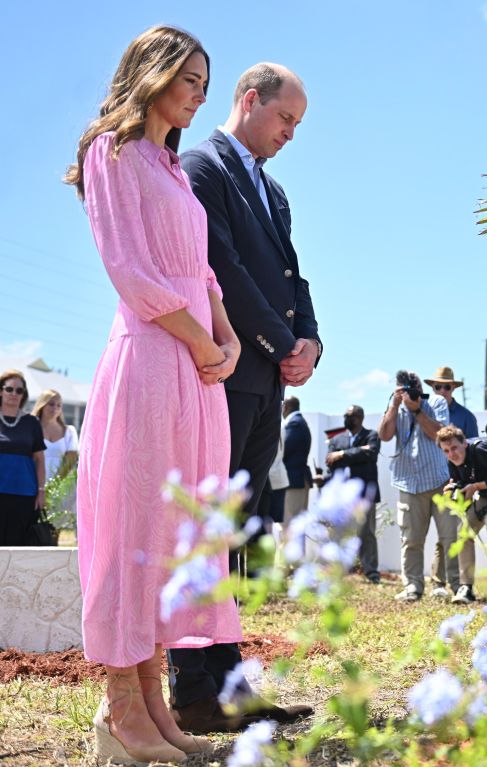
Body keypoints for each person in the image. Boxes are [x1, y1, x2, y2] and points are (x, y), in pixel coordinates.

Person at [65, 26, 239, 762]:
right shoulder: (112, 152)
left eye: (206, 82)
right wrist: (201, 342)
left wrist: (224, 336)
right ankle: (119, 711)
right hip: (148, 361)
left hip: (195, 373)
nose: (200, 93)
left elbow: (200, 273)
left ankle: (156, 710)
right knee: (133, 529)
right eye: (190, 78)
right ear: (155, 73)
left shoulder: (172, 169)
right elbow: (131, 270)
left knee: (171, 535)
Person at [169, 61, 319, 732]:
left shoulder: (277, 192)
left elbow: (292, 273)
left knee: (233, 533)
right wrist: (280, 340)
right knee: (203, 530)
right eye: (285, 118)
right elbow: (221, 267)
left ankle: (230, 681)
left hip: (264, 385)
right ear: (251, 100)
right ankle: (192, 685)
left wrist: (310, 338)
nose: (291, 134)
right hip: (222, 374)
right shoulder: (201, 169)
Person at [378, 371, 460, 602]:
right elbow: (384, 435)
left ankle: (453, 586)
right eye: (404, 389)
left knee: (449, 537)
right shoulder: (396, 406)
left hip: (438, 481)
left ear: (420, 387)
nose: (409, 394)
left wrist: (416, 410)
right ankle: (412, 586)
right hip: (408, 482)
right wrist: (394, 406)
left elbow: (440, 434)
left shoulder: (435, 402)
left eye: (412, 389)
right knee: (411, 539)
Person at [424, 366, 477, 595]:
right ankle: (437, 581)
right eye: (438, 386)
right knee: (442, 534)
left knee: (455, 532)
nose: (443, 390)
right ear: (432, 388)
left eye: (447, 386)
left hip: (459, 483)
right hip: (434, 478)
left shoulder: (465, 416)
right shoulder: (426, 412)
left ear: (453, 388)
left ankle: (459, 583)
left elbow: (473, 449)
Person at [436, 425, 487, 603]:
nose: (451, 454)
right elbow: (460, 481)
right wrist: (453, 490)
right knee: (464, 532)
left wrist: (475, 486)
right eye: (446, 451)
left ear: (464, 443)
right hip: (486, 497)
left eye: (454, 448)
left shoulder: (482, 449)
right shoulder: (452, 461)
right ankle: (466, 587)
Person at [327, 405, 382, 583]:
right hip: (342, 496)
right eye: (345, 416)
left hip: (365, 494)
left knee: (366, 534)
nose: (348, 419)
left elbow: (371, 453)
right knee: (341, 533)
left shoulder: (371, 435)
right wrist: (358, 453)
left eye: (351, 416)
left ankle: (371, 571)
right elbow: (330, 461)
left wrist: (342, 455)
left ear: (361, 417)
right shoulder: (336, 439)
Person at [0, 370, 45, 545]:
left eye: (19, 391)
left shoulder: (32, 423)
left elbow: (39, 459)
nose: (14, 394)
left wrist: (41, 492)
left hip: (24, 493)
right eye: (10, 389)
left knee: (18, 545)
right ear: (1, 391)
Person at [33, 389, 79, 482]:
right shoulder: (31, 429)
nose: (55, 408)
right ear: (42, 405)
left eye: (59, 405)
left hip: (60, 489)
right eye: (51, 404)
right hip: (33, 484)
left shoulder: (69, 431)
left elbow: (70, 461)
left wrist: (54, 485)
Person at [282, 396, 312, 522]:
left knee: (290, 525)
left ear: (286, 407)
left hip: (294, 481)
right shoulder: (299, 422)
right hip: (296, 480)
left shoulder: (295, 424)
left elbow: (283, 450)